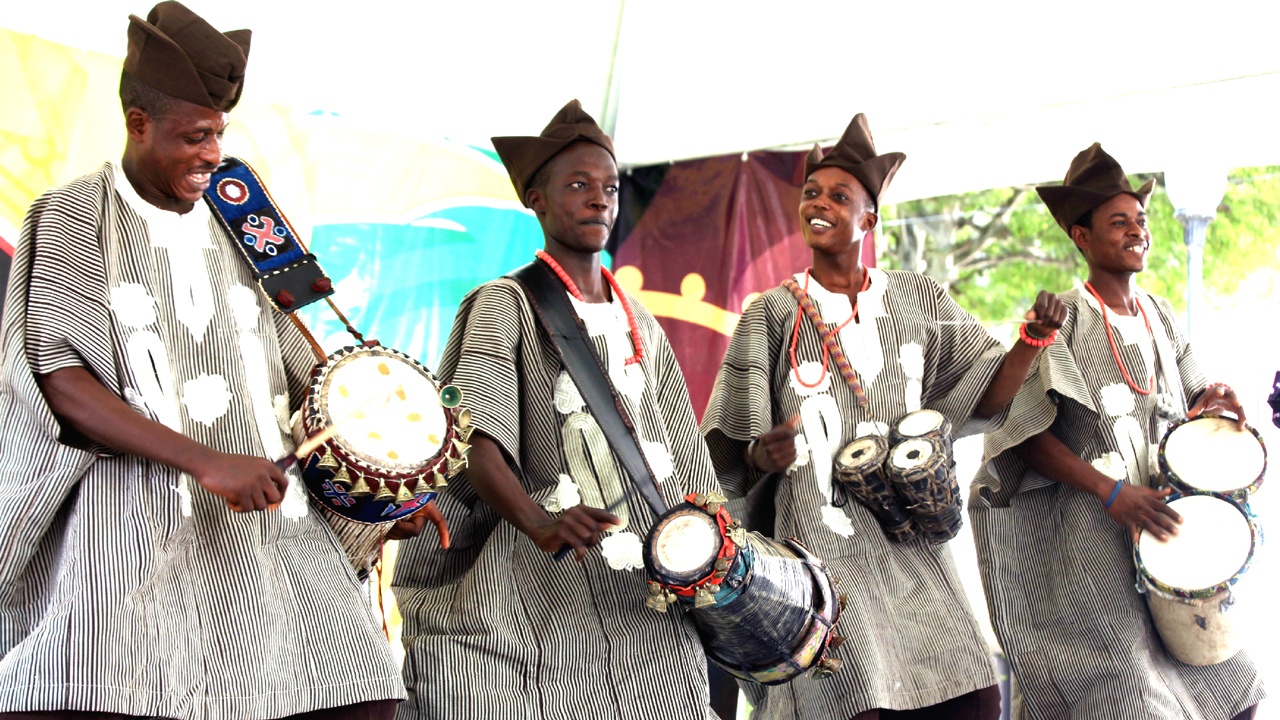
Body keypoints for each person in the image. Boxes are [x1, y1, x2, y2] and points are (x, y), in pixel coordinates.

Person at [0, 3, 418, 718]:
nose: (212, 153)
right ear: (138, 123)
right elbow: (59, 380)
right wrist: (206, 461)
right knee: (100, 682)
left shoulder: (242, 213)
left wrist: (374, 490)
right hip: (130, 519)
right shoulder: (74, 213)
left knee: (359, 686)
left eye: (219, 134)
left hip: (270, 525)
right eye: (195, 135)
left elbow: (298, 369)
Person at [701, 113, 1066, 719]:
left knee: (973, 696)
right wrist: (761, 454)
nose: (819, 204)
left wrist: (1030, 341)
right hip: (821, 544)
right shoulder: (767, 315)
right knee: (855, 693)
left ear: (869, 219)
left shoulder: (917, 298)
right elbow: (727, 451)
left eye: (838, 196)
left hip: (912, 540)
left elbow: (987, 397)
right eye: (811, 193)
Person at [391, 100, 724, 719]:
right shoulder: (504, 303)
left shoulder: (640, 322)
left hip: (646, 607)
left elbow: (688, 459)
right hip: (533, 601)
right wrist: (538, 522)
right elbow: (474, 442)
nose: (599, 200)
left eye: (609, 188)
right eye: (577, 186)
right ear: (537, 201)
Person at [969, 143, 1265, 719]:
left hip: (1164, 533)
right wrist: (1112, 493)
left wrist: (1214, 401)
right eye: (1118, 222)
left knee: (1238, 684)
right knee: (1131, 698)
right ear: (1081, 237)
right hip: (1091, 547)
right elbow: (1022, 434)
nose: (1137, 232)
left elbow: (1191, 396)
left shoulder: (1158, 313)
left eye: (1141, 221)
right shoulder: (1065, 318)